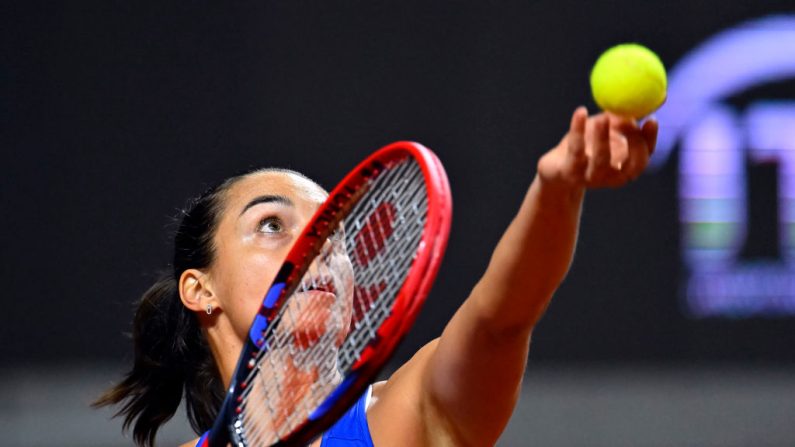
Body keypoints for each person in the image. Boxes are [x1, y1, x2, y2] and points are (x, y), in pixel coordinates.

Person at [95, 107, 657, 447]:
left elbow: (498, 323)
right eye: (271, 224)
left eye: (330, 235)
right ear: (201, 289)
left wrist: (556, 193)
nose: (313, 247)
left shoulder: (410, 418)